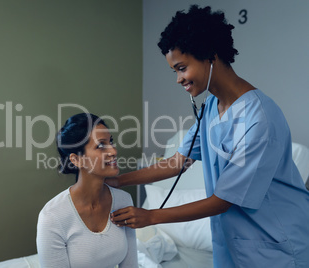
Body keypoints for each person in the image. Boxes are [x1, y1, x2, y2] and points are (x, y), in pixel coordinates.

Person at [109, 5, 309, 267]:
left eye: (181, 68)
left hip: (277, 245)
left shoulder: (259, 119)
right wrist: (118, 181)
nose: (178, 79)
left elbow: (222, 200)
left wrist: (150, 216)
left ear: (210, 56)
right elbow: (177, 162)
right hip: (233, 244)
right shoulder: (212, 108)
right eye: (175, 71)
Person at [36, 113, 138, 268]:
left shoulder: (124, 201)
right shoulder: (52, 217)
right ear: (76, 159)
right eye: (101, 145)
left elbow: (130, 266)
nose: (113, 151)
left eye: (111, 142)